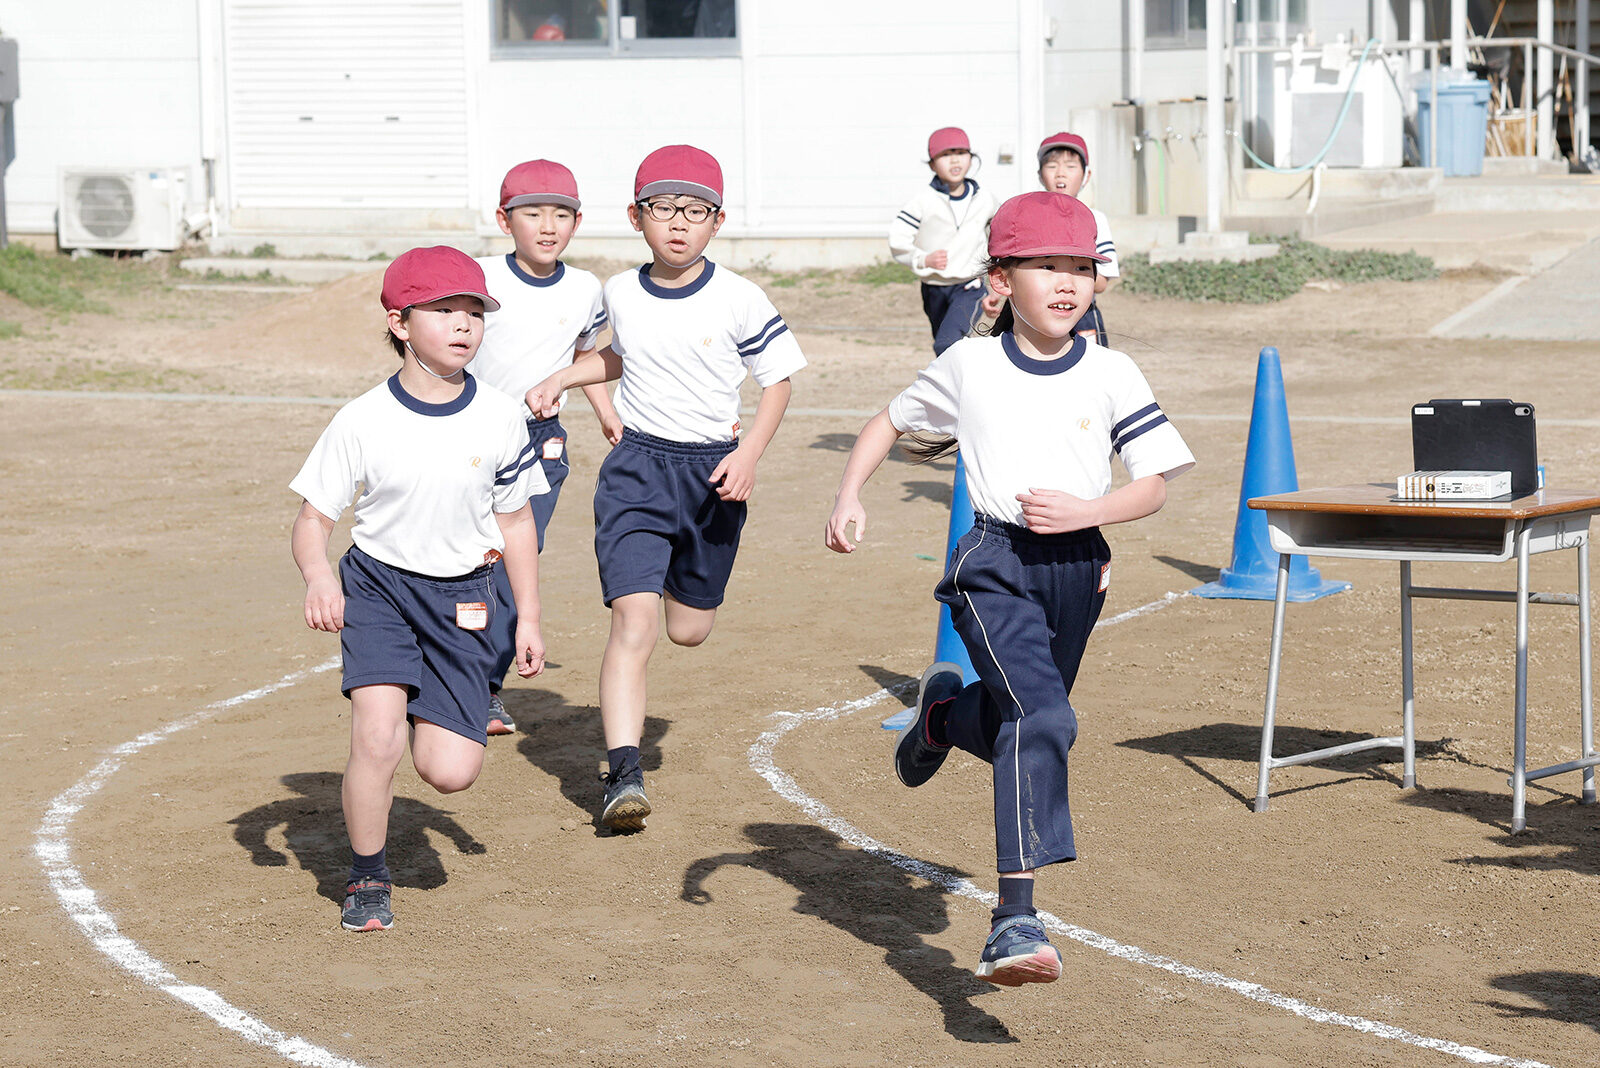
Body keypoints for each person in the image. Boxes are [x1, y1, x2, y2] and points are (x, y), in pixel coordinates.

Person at [824, 192, 1194, 986]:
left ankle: (943, 716)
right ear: (1001, 279)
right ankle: (1015, 918)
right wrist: (849, 493)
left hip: (1077, 567)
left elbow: (1154, 485)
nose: (1067, 283)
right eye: (1046, 267)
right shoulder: (971, 363)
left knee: (1015, 723)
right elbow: (889, 421)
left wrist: (1089, 513)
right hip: (992, 562)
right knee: (1043, 714)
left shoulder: (1113, 370)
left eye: (1082, 268)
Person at [524, 145, 806, 833]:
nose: (679, 224)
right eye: (663, 209)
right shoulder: (618, 291)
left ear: (717, 221)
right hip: (638, 473)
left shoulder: (740, 296)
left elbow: (779, 381)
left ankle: (686, 594)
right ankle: (623, 772)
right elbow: (623, 355)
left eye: (696, 211)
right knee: (635, 623)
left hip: (714, 474)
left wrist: (749, 453)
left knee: (688, 629)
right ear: (636, 216)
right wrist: (565, 377)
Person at [290, 246, 549, 932]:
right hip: (379, 589)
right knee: (376, 740)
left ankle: (416, 701)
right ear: (400, 323)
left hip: (466, 598)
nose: (464, 326)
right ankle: (367, 877)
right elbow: (313, 520)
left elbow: (517, 521)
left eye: (474, 313)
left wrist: (527, 618)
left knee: (450, 771)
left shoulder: (499, 415)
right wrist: (321, 575)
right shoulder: (362, 419)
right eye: (444, 312)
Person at [472, 158, 620, 736]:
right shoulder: (479, 276)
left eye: (562, 214)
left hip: (540, 445)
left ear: (577, 223)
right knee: (456, 558)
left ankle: (484, 690)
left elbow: (584, 360)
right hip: (469, 438)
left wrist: (608, 414)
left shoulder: (587, 289)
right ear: (505, 220)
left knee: (513, 563)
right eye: (532, 213)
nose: (548, 225)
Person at [888, 126, 1001, 355]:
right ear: (932, 164)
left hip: (969, 286)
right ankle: (957, 385)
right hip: (934, 289)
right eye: (945, 155)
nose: (954, 161)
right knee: (945, 349)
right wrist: (923, 258)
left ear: (971, 158)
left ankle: (963, 387)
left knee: (946, 344)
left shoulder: (985, 199)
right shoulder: (922, 202)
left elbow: (999, 238)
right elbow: (897, 239)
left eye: (960, 153)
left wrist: (995, 286)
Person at [1036, 132, 1120, 346]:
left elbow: (1101, 284)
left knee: (1091, 372)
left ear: (1086, 176)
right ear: (1040, 174)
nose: (1060, 174)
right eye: (1052, 166)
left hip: (1083, 314)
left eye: (1071, 167)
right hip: (1038, 314)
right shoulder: (1031, 219)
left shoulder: (1095, 219)